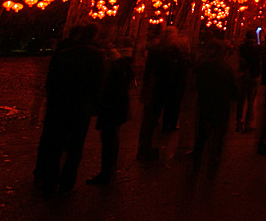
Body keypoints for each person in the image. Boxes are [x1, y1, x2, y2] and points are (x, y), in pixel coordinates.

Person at [34, 23, 105, 195]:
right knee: (75, 146)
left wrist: (52, 102)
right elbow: (97, 84)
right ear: (94, 36)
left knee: (56, 144)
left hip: (60, 104)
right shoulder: (97, 55)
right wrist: (95, 106)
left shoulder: (64, 55)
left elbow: (51, 81)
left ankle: (50, 181)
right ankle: (67, 182)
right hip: (81, 106)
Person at [137, 26, 190, 160]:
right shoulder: (172, 50)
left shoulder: (157, 49)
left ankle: (145, 147)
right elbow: (182, 67)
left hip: (157, 88)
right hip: (164, 88)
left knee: (150, 120)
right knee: (151, 119)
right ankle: (147, 148)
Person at [86, 36, 134, 185]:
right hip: (117, 108)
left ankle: (107, 173)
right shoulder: (122, 67)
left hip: (111, 108)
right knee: (112, 139)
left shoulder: (112, 70)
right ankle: (109, 170)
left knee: (109, 139)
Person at [192, 33, 238, 175]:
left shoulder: (201, 65)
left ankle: (197, 156)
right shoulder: (226, 66)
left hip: (205, 101)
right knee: (219, 132)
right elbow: (234, 87)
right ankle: (215, 156)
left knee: (202, 132)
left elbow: (196, 83)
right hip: (221, 103)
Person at [236, 32, 261, 132]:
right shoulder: (257, 49)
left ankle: (239, 121)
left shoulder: (242, 47)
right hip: (253, 76)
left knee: (241, 100)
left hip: (243, 76)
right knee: (251, 101)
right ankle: (248, 123)